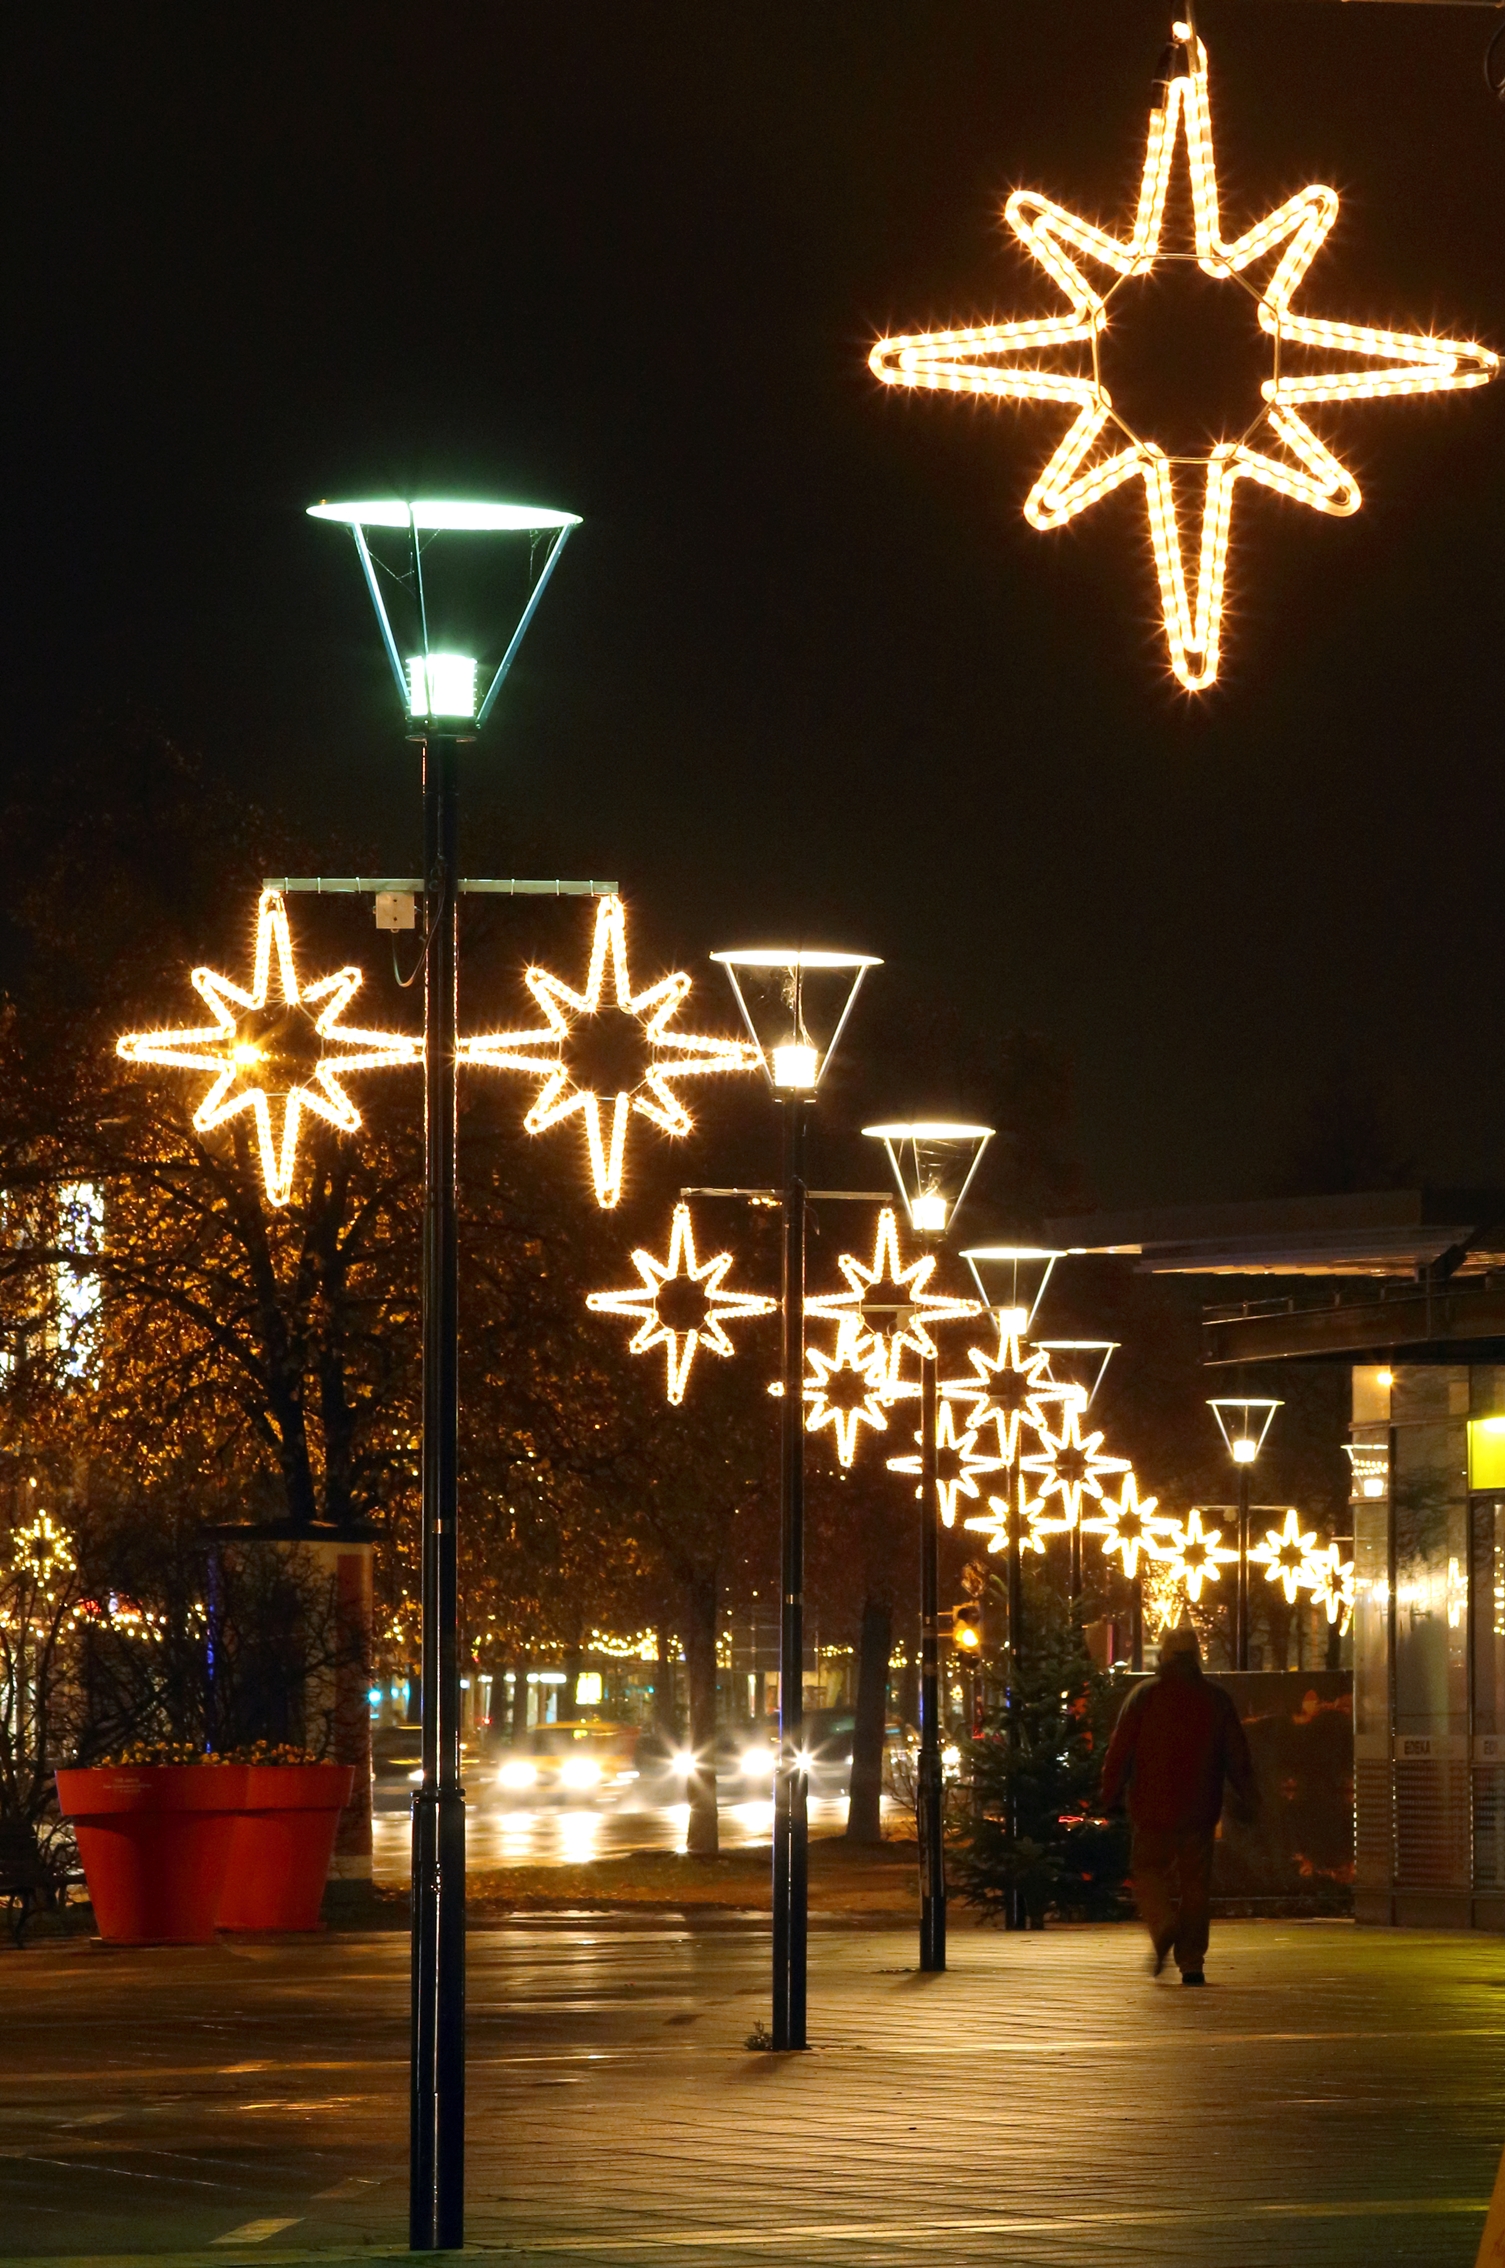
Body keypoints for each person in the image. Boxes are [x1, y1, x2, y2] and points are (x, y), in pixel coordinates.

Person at [1100, 1619, 1256, 1985]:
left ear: (1164, 1655)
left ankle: (1163, 1924)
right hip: (1200, 1808)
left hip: (1151, 1806)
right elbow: (1237, 1755)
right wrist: (1248, 1795)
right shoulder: (1216, 1699)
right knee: (1195, 1884)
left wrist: (1110, 1794)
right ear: (1197, 1655)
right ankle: (1192, 1962)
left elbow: (1119, 1751)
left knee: (1148, 1870)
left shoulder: (1144, 1695)